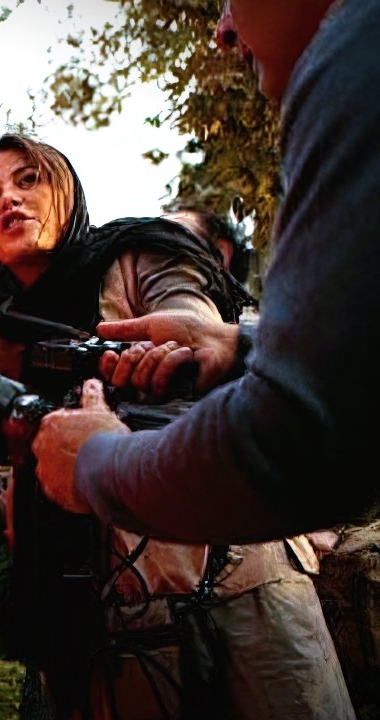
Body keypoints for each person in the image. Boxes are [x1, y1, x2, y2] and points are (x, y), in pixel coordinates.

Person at [0, 133, 352, 719]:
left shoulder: (137, 255)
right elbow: (32, 511)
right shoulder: (8, 347)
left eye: (28, 180)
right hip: (120, 626)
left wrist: (27, 360)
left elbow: (194, 336)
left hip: (240, 572)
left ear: (67, 191)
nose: (8, 199)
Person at [30, 0, 376, 546]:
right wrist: (239, 344)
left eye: (227, 1)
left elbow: (292, 441)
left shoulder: (353, 60)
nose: (222, 31)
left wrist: (96, 462)